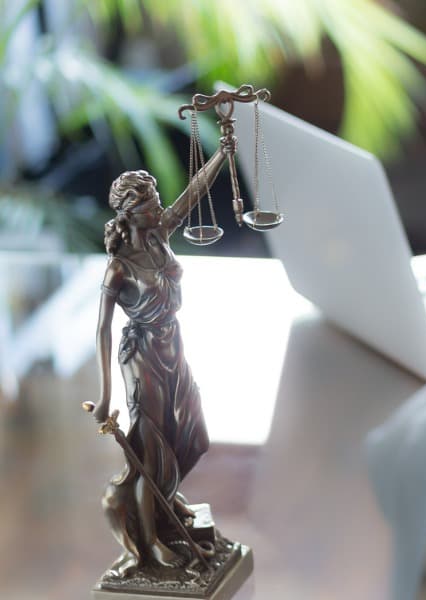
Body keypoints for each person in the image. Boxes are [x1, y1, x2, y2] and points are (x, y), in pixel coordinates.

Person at [93, 137, 233, 574]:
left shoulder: (159, 235)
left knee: (193, 436)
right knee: (151, 455)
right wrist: (104, 396)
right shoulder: (119, 266)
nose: (159, 209)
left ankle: (165, 500)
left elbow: (191, 196)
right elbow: (101, 328)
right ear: (130, 214)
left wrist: (222, 154)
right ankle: (151, 542)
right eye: (151, 205)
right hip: (142, 354)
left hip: (175, 345)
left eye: (156, 203)